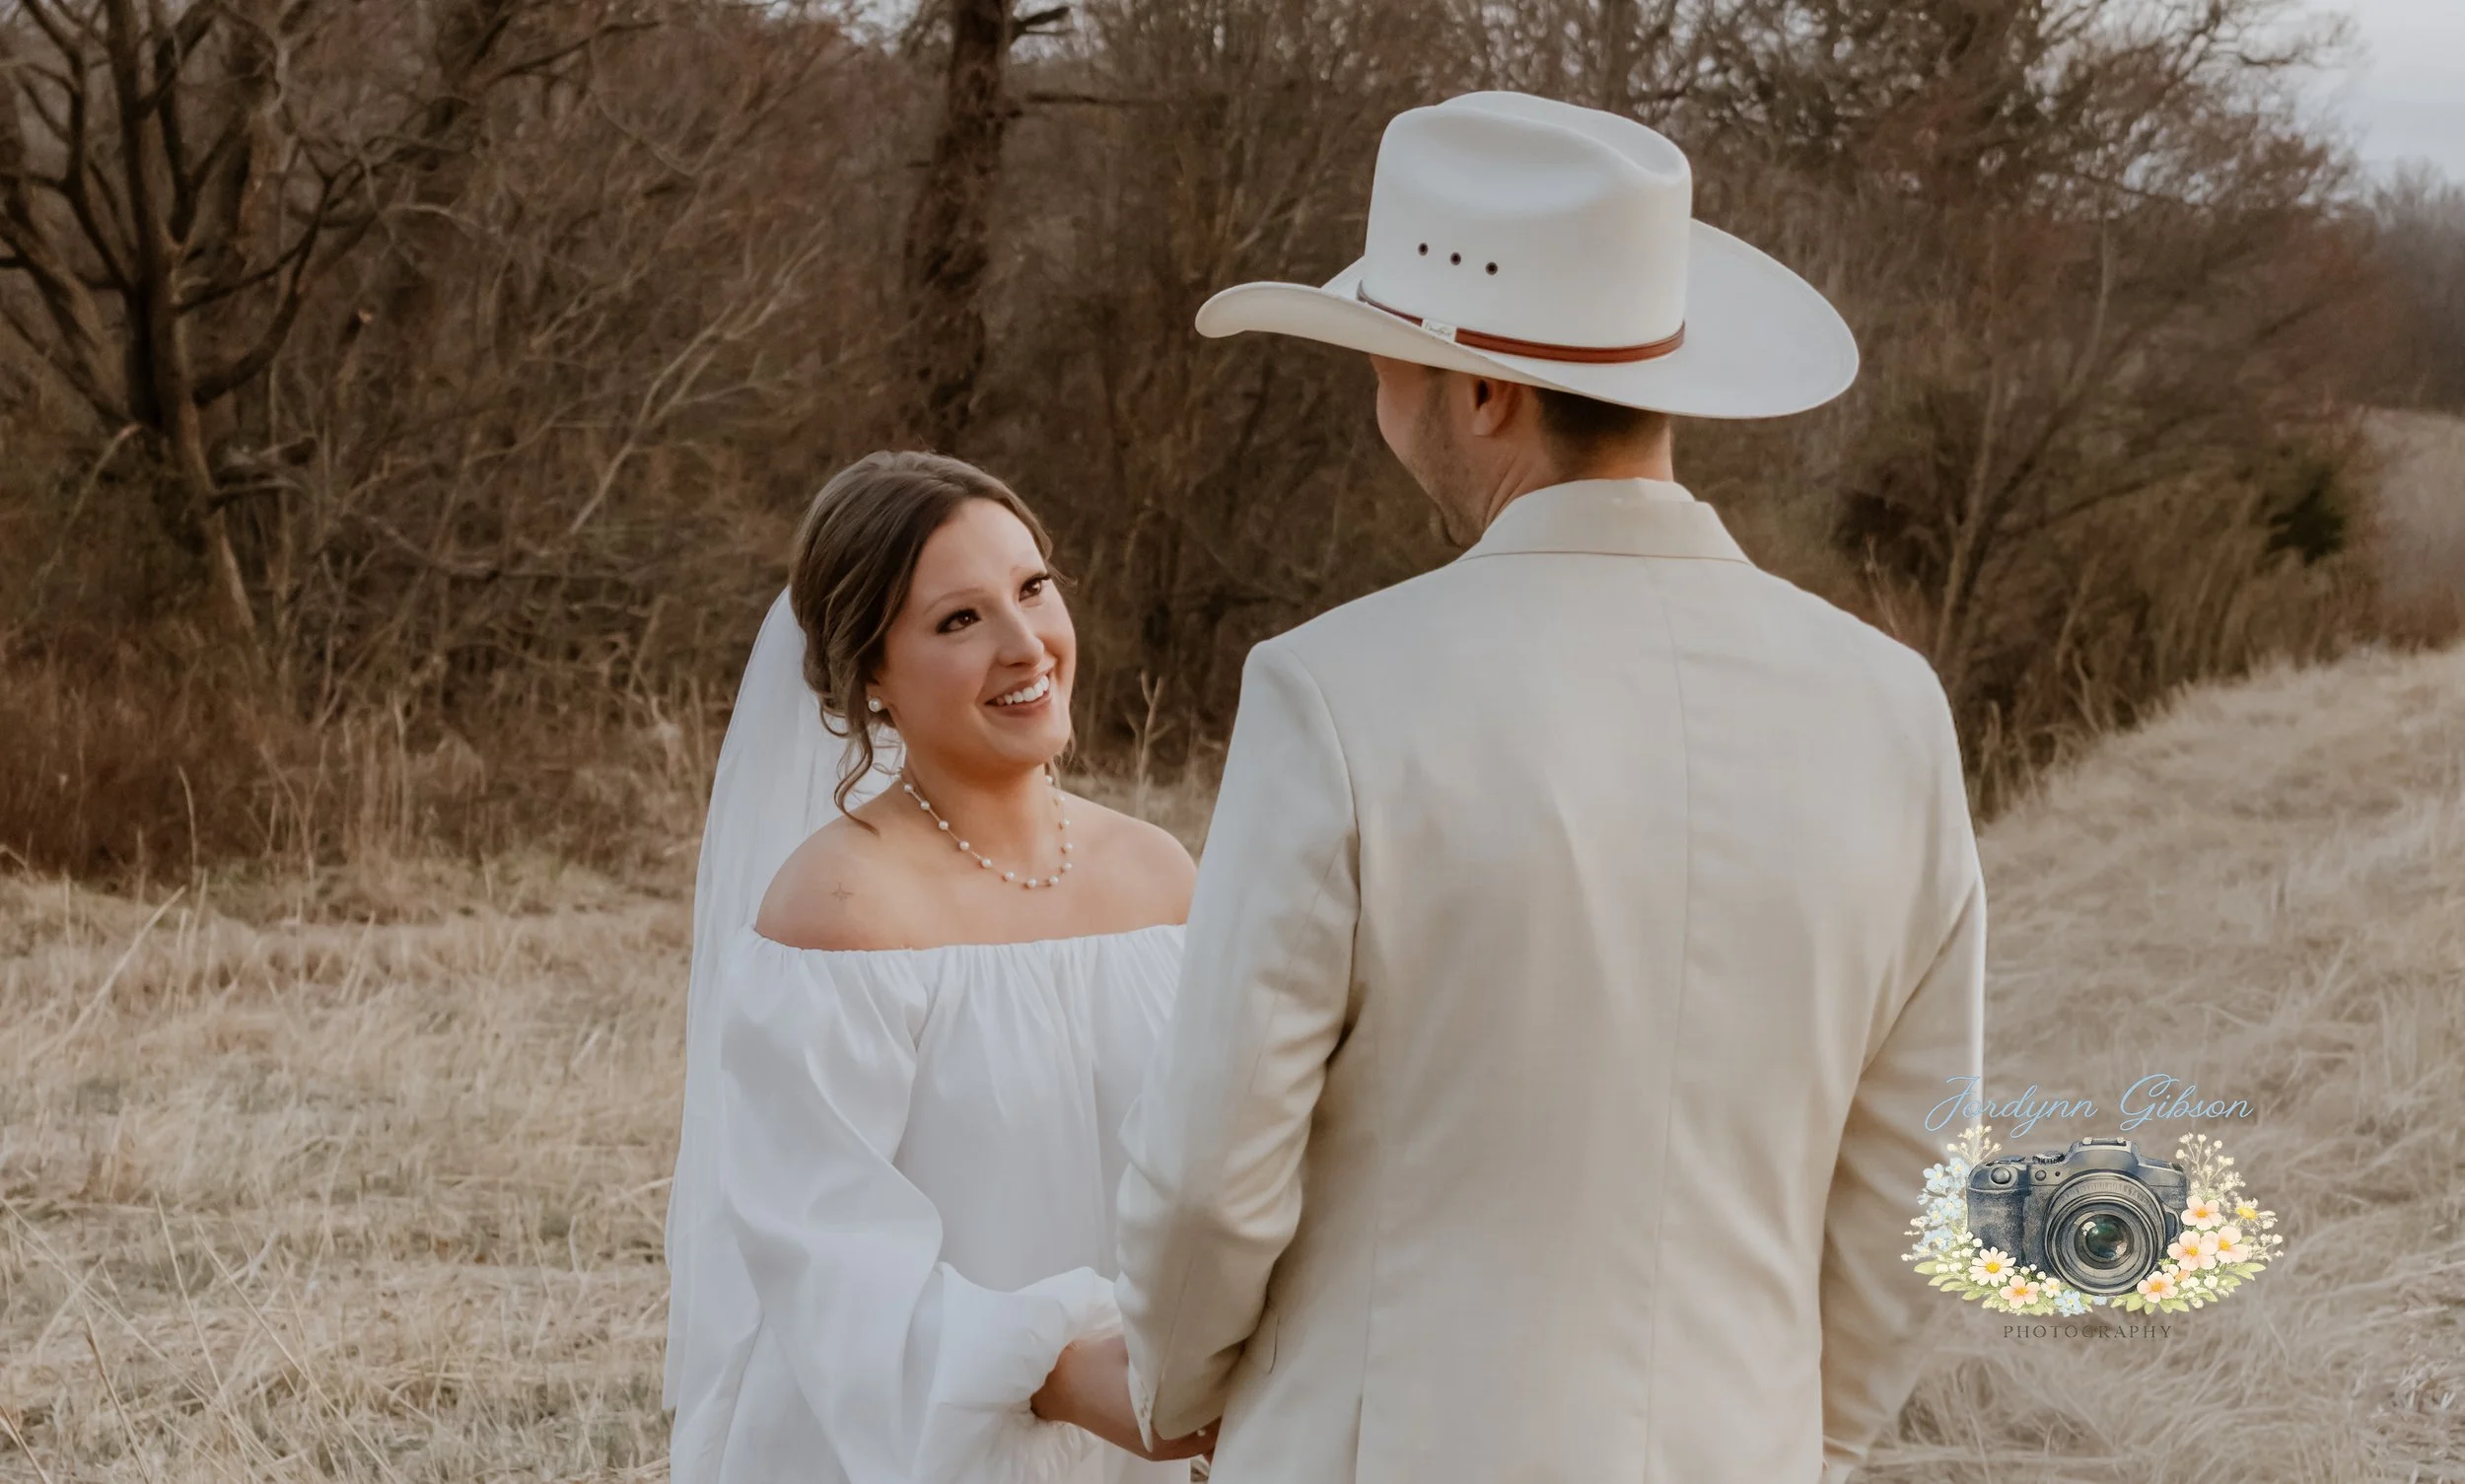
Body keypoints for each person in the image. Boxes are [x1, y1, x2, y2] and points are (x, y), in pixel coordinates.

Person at [1032, 92, 1989, 1483]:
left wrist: (1178, 1378)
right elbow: (1922, 1175)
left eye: (1387, 359)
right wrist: (1807, 1433)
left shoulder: (1337, 693)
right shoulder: (1893, 708)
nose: (1379, 397)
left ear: (1483, 393)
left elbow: (1209, 1177)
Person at [662, 451, 1218, 1484]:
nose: (1025, 644)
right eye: (958, 620)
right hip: (913, 1436)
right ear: (868, 671)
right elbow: (829, 1249)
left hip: (1165, 1433)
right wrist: (1060, 1374)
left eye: (1033, 588)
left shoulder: (1160, 872)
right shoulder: (839, 911)